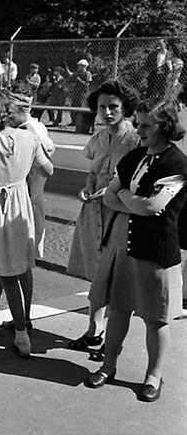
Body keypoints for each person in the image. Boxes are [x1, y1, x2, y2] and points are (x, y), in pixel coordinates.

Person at [85, 99, 187, 403]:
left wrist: (126, 196)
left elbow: (154, 206)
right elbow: (110, 198)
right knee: (118, 310)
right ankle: (109, 365)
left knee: (156, 318)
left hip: (155, 250)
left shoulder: (178, 164)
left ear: (165, 127)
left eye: (145, 125)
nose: (139, 130)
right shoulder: (134, 157)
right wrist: (134, 200)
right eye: (138, 123)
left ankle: (153, 376)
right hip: (123, 248)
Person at [0, 90, 53, 359]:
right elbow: (47, 169)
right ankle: (22, 335)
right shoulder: (29, 137)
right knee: (13, 277)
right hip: (19, 206)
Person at [67, 81, 140, 351]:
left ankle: (113, 341)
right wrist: (88, 187)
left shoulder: (135, 138)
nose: (107, 112)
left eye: (113, 107)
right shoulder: (98, 138)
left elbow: (137, 179)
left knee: (118, 275)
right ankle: (93, 331)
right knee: (97, 272)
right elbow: (93, 173)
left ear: (125, 108)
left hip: (120, 211)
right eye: (102, 107)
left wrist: (112, 192)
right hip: (94, 210)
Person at [8, 90, 55, 328]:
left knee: (21, 266)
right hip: (25, 203)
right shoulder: (32, 128)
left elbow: (47, 159)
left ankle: (24, 318)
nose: (5, 117)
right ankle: (21, 317)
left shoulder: (32, 131)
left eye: (8, 112)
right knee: (16, 267)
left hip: (25, 205)